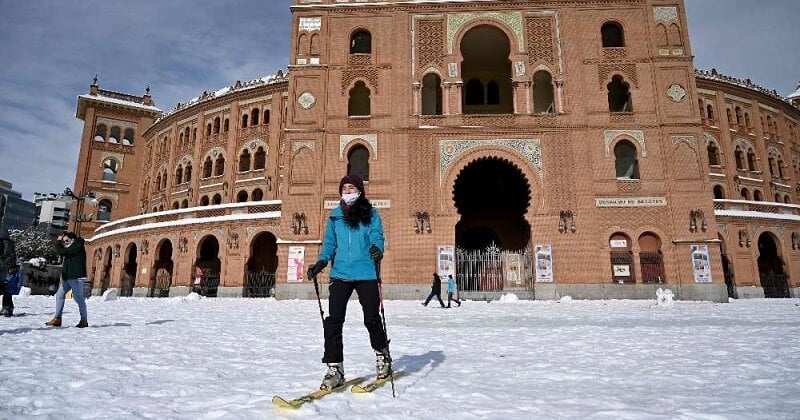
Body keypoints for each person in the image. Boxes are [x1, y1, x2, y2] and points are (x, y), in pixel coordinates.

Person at [306, 174, 388, 390]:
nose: (348, 191)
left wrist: (377, 249)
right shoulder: (334, 217)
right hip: (340, 273)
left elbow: (377, 235)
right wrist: (321, 262)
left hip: (366, 272)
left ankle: (382, 356)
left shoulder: (371, 213)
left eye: (352, 188)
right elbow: (329, 244)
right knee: (333, 321)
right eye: (345, 188)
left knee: (371, 318)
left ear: (360, 191)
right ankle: (335, 368)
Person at [45, 231, 89, 328]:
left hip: (76, 277)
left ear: (72, 239)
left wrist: (58, 242)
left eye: (66, 240)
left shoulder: (77, 245)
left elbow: (61, 252)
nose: (65, 243)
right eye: (64, 241)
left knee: (79, 299)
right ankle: (57, 318)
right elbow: (62, 252)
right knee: (59, 295)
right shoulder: (70, 248)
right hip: (68, 278)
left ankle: (84, 320)